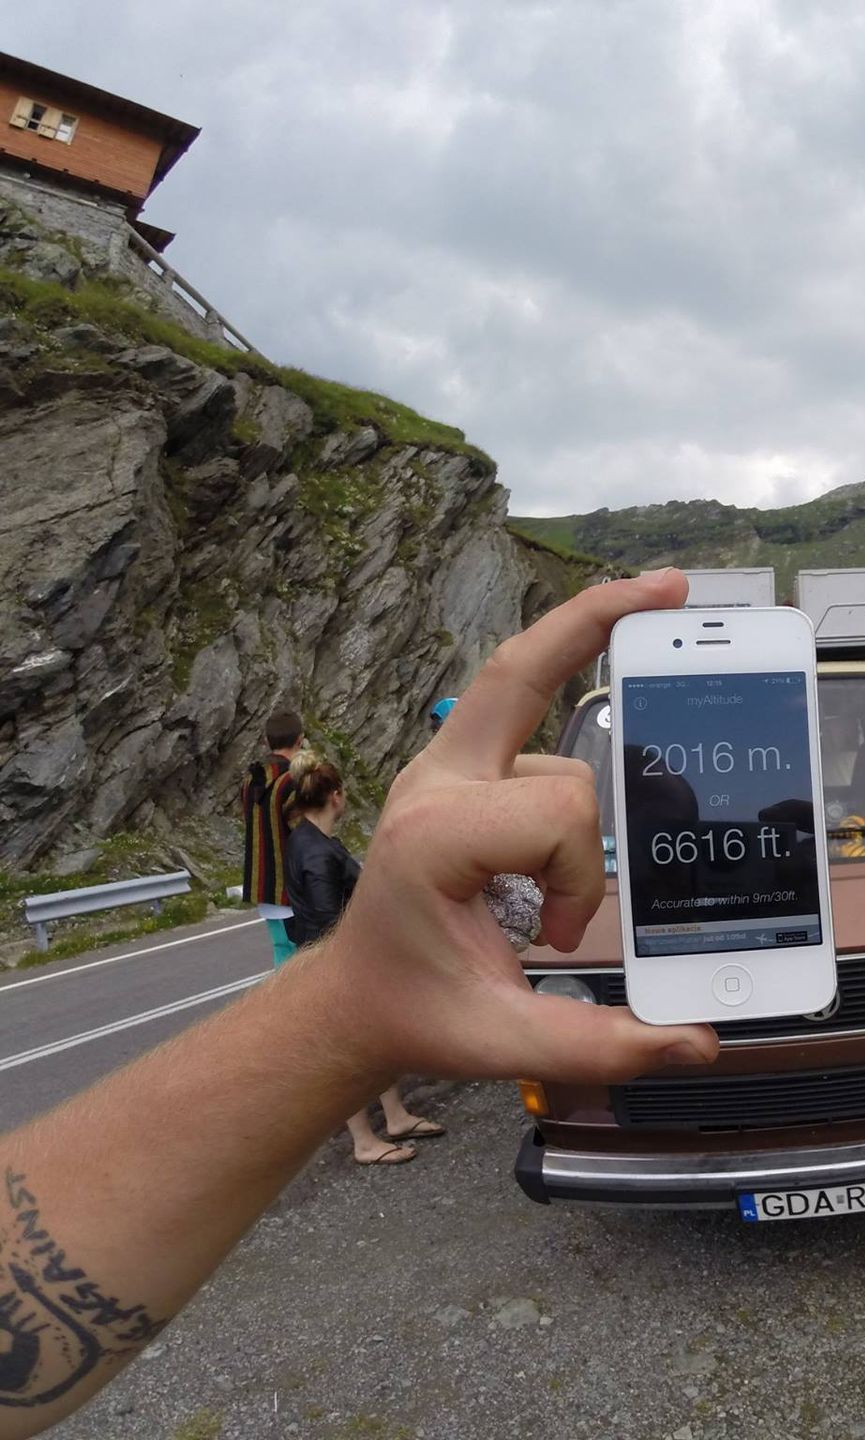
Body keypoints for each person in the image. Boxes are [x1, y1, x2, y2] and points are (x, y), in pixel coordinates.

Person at [0, 570, 716, 1439]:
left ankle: (377, 1120)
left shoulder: (276, 804)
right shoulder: (308, 832)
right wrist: (351, 993)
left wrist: (352, 998)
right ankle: (373, 1127)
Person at [283, 760, 449, 1165]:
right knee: (349, 1057)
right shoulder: (317, 853)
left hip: (330, 960)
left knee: (375, 1047)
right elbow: (328, 920)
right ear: (334, 795)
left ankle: (395, 1117)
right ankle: (364, 1142)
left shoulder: (308, 839)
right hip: (337, 966)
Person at [239, 711, 305, 967]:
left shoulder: (251, 779)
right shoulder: (293, 780)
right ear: (300, 740)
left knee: (281, 952)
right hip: (291, 887)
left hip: (264, 886)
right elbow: (302, 834)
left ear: (267, 741)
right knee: (303, 959)